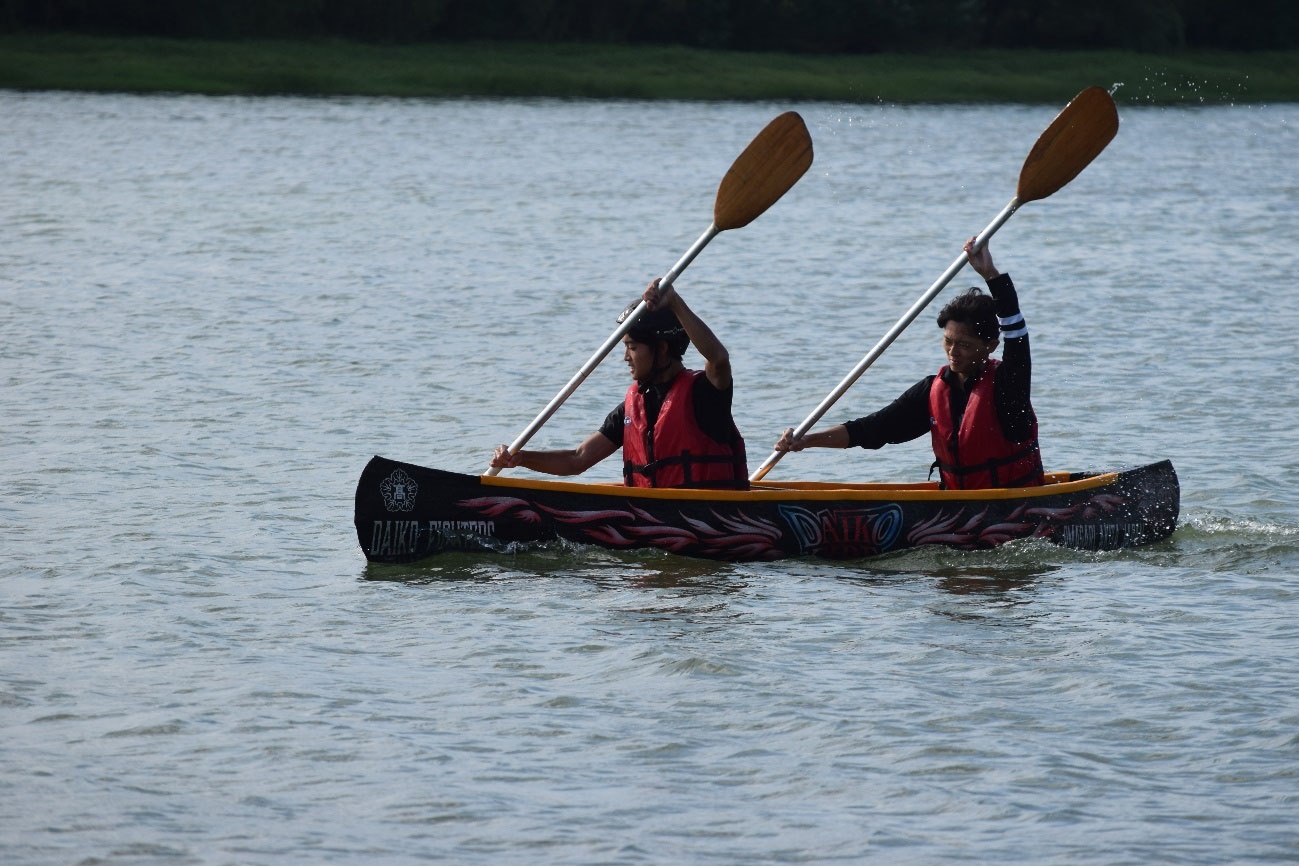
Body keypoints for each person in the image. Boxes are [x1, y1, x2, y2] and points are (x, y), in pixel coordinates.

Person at [774, 237, 1044, 490]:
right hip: (958, 506)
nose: (953, 351)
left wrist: (991, 276)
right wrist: (807, 441)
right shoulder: (933, 390)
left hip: (1016, 506)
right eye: (948, 341)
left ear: (990, 347)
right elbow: (873, 429)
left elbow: (1017, 334)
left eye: (964, 345)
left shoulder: (1009, 387)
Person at [491, 279, 749, 489]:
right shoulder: (632, 408)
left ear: (661, 348)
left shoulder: (704, 394)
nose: (626, 357)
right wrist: (522, 458)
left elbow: (719, 358)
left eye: (632, 347)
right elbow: (577, 460)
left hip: (713, 516)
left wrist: (675, 302)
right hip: (655, 519)